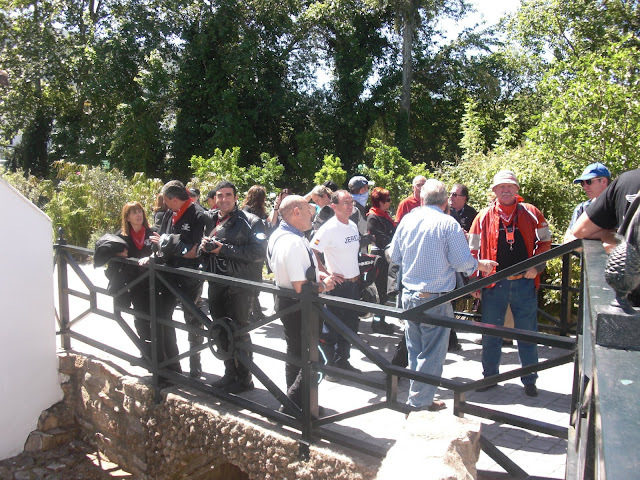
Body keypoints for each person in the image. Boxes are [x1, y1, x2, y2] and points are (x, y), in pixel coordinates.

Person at [389, 179, 496, 412]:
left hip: (409, 295)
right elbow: (462, 263)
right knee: (433, 354)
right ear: (446, 200)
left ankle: (421, 399)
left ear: (421, 198)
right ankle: (418, 405)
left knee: (416, 350)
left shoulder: (408, 219)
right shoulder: (448, 224)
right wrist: (481, 265)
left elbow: (394, 256)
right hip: (435, 297)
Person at [468, 170, 552, 397]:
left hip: (524, 283)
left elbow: (546, 242)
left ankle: (530, 379)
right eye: (501, 187)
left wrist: (537, 267)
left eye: (510, 186)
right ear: (494, 191)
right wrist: (475, 282)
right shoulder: (482, 217)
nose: (506, 190)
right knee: (491, 334)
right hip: (494, 285)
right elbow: (472, 252)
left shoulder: (532, 213)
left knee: (527, 333)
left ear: (517, 189)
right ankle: (490, 376)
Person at [267, 195, 336, 411]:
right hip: (300, 306)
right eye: (308, 210)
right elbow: (301, 286)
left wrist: (319, 276)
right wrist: (325, 285)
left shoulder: (279, 235)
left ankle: (301, 406)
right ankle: (292, 404)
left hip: (286, 303)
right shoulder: (294, 241)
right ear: (296, 212)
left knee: (296, 354)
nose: (312, 214)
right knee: (313, 358)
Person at [200, 180, 267, 393]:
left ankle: (245, 378)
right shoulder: (209, 219)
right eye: (220, 196)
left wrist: (224, 250)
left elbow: (258, 253)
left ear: (236, 198)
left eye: (228, 195)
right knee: (220, 329)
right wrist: (204, 248)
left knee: (239, 331)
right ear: (215, 198)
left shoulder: (252, 221)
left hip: (240, 286)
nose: (224, 199)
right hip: (216, 282)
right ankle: (230, 373)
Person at [151, 180, 207, 376]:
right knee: (163, 316)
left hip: (189, 274)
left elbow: (194, 251)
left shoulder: (199, 214)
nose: (164, 204)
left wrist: (167, 244)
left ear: (174, 199)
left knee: (193, 319)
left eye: (166, 200)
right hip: (168, 273)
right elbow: (161, 241)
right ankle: (171, 363)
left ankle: (195, 364)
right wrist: (172, 245)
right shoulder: (169, 213)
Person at [310, 190, 363, 375]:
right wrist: (325, 273)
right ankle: (330, 366)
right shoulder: (329, 228)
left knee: (350, 325)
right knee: (331, 328)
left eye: (351, 202)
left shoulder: (352, 226)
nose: (350, 206)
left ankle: (343, 362)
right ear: (334, 206)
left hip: (354, 283)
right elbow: (312, 251)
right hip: (337, 286)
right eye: (346, 203)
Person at [108, 202, 155, 358]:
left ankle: (157, 354)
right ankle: (145, 351)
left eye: (140, 211)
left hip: (154, 282)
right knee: (140, 317)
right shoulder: (121, 238)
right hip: (134, 283)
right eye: (134, 212)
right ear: (127, 217)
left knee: (156, 318)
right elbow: (110, 262)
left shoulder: (152, 233)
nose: (138, 215)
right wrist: (119, 256)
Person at [447, 183, 478, 352]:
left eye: (454, 195)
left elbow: (477, 239)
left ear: (464, 198)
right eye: (449, 194)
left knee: (455, 299)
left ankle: (450, 338)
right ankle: (450, 339)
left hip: (464, 263)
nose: (450, 198)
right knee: (448, 301)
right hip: (447, 264)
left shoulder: (473, 214)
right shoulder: (446, 212)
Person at [366, 187, 396, 334]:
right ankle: (377, 323)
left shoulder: (385, 216)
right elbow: (379, 238)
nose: (390, 202)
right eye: (388, 200)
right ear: (381, 202)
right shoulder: (373, 217)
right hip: (379, 258)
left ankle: (381, 321)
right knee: (379, 291)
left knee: (384, 291)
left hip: (387, 257)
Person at [241, 185, 269, 320]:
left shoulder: (259, 212)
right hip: (253, 250)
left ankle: (255, 312)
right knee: (253, 281)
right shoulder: (249, 212)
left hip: (256, 249)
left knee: (255, 281)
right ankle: (253, 312)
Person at [564, 162, 611, 241]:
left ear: (603, 181)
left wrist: (584, 235)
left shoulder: (618, 206)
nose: (585, 186)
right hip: (586, 253)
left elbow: (621, 237)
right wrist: (604, 235)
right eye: (582, 183)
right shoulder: (582, 208)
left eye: (589, 181)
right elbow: (568, 240)